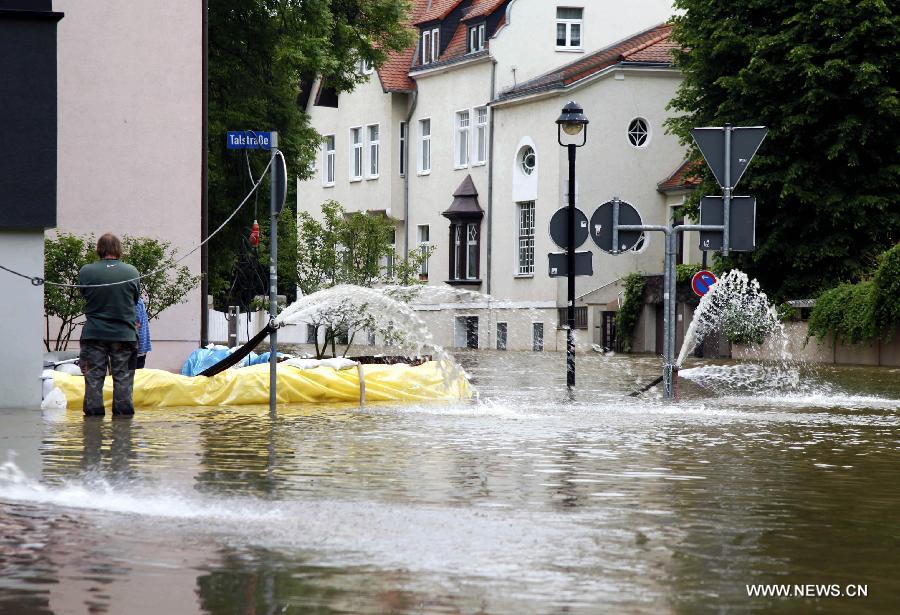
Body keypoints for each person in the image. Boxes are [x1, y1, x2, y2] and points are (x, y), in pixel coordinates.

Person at [78, 233, 140, 417]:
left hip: (94, 334)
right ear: (119, 250)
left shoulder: (86, 271)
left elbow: (84, 294)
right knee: (123, 380)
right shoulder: (131, 272)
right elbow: (135, 300)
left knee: (93, 380)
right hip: (124, 336)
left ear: (99, 249)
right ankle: (122, 430)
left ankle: (92, 427)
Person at [135, 297, 152, 368]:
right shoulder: (138, 300)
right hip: (140, 346)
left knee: (133, 376)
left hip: (135, 348)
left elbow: (136, 324)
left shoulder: (134, 301)